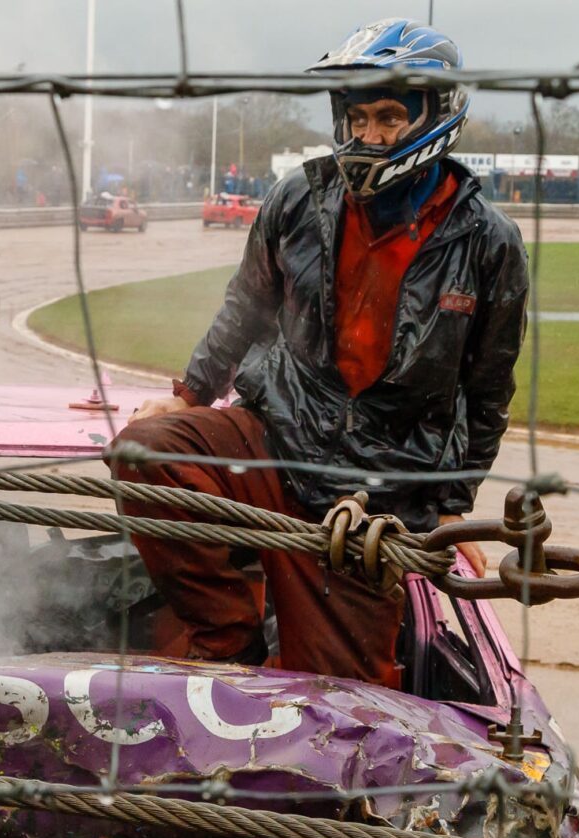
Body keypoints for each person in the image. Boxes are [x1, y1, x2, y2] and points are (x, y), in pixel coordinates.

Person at [109, 19, 529, 688]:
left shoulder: (490, 243)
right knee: (143, 451)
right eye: (358, 116)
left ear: (439, 113)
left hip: (381, 492)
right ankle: (229, 638)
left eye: (389, 116)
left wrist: (452, 502)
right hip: (277, 435)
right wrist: (190, 393)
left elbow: (488, 391)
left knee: (343, 706)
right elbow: (245, 306)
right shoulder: (297, 198)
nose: (369, 135)